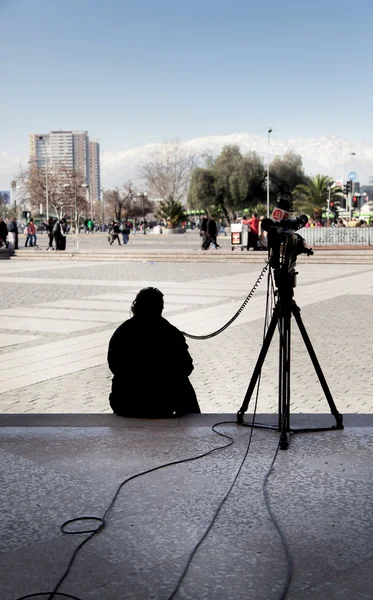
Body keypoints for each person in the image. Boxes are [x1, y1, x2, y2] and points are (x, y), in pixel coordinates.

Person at [108, 288, 201, 418]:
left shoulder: (122, 331)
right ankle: (195, 424)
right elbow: (186, 367)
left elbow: (114, 365)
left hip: (125, 403)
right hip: (161, 404)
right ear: (160, 307)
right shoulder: (169, 332)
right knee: (184, 386)